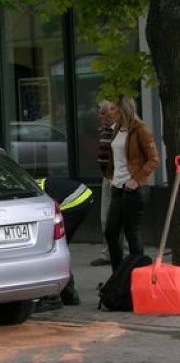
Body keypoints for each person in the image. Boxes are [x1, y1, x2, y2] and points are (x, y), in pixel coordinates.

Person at [103, 96, 159, 273]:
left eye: (115, 109)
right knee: (111, 232)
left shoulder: (140, 129)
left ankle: (136, 275)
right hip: (117, 187)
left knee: (131, 232)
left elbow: (153, 159)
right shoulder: (118, 129)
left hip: (134, 188)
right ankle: (118, 276)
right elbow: (115, 156)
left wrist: (137, 179)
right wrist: (111, 175)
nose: (112, 113)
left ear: (123, 109)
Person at [33, 177, 95, 312]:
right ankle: (69, 294)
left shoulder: (28, 192)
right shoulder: (30, 184)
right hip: (82, 196)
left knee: (53, 246)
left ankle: (53, 298)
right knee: (60, 246)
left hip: (72, 200)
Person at [91, 100, 127, 266]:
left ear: (114, 112)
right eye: (100, 113)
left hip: (118, 177)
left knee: (119, 217)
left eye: (104, 113)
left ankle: (123, 252)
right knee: (105, 217)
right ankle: (108, 252)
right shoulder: (105, 130)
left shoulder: (121, 130)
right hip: (107, 176)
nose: (101, 116)